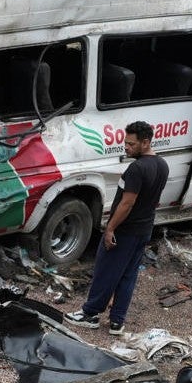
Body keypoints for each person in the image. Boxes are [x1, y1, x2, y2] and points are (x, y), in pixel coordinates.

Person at [64, 121, 167, 336]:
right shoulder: (162, 165)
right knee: (128, 276)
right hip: (144, 229)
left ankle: (90, 314)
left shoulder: (137, 169)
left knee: (106, 272)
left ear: (145, 142)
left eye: (131, 144)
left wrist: (110, 228)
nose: (126, 147)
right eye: (125, 142)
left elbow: (127, 203)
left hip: (125, 231)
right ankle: (117, 322)